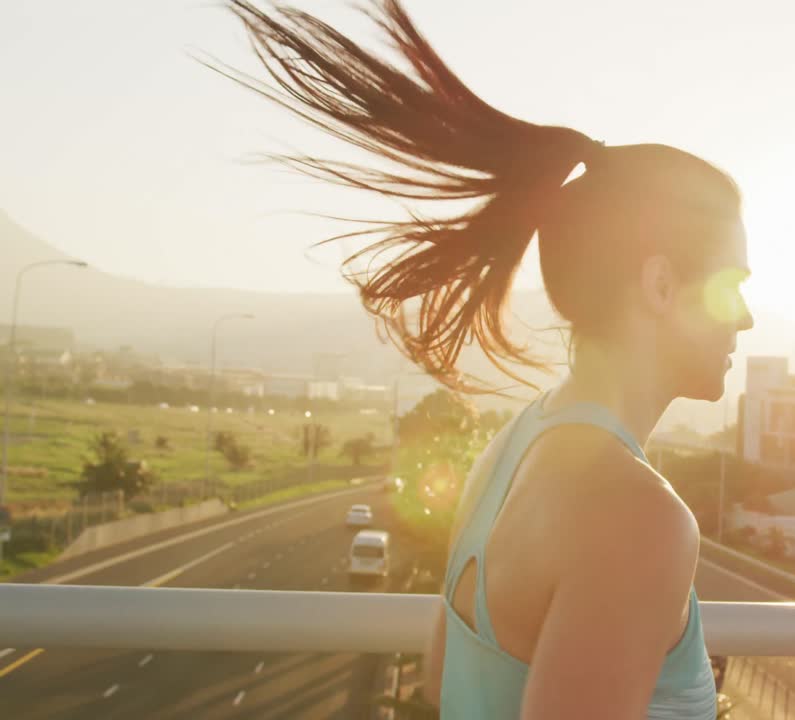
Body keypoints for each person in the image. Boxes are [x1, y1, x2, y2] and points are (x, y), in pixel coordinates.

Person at [227, 2, 753, 717]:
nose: (746, 317)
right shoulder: (640, 519)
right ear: (660, 286)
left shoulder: (509, 449)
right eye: (731, 286)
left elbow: (442, 681)